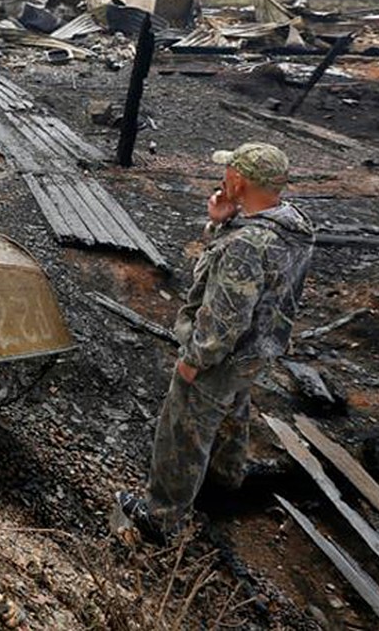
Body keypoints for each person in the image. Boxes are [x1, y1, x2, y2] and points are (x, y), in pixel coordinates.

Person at [116, 142, 315, 543]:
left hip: (222, 357)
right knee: (232, 412)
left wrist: (196, 358)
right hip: (257, 352)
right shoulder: (293, 225)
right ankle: (224, 483)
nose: (223, 178)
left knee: (183, 429)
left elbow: (227, 315)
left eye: (229, 173)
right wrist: (221, 222)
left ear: (239, 180)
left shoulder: (247, 244)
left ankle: (160, 518)